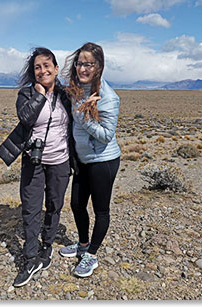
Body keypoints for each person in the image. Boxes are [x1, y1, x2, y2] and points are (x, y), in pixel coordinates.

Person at [0, 47, 77, 287]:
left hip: (60, 161)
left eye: (46, 66)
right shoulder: (26, 94)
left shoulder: (66, 95)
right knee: (30, 209)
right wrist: (40, 95)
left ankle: (47, 248)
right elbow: (26, 119)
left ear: (56, 68)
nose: (42, 71)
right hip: (34, 161)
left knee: (54, 205)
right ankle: (30, 258)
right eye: (37, 68)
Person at [59, 42, 121, 277]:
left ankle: (92, 255)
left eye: (89, 64)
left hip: (103, 160)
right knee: (76, 204)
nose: (83, 69)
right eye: (80, 63)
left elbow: (106, 135)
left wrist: (83, 117)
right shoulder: (76, 90)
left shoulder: (108, 97)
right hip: (83, 160)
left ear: (99, 67)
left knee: (101, 210)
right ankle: (82, 244)